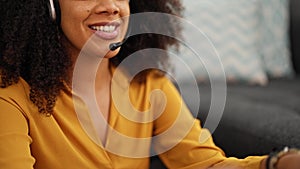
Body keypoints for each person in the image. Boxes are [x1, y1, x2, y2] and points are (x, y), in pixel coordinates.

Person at [0, 0, 300, 169]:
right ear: (47, 6)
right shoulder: (10, 96)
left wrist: (276, 163)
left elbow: (204, 164)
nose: (110, 6)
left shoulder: (147, 84)